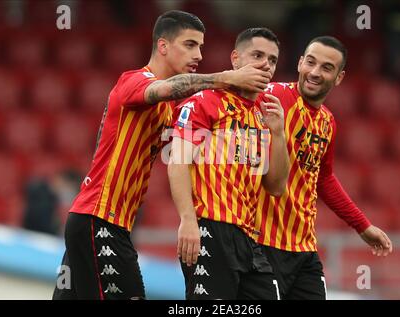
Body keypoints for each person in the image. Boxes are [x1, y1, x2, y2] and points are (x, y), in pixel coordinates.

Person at [52, 10, 273, 300]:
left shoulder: (170, 110)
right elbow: (167, 88)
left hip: (101, 223)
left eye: (201, 47)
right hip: (99, 220)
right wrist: (228, 78)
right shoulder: (132, 81)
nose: (199, 55)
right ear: (163, 46)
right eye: (190, 45)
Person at [254, 36, 393, 300]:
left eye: (327, 68)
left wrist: (363, 227)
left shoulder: (328, 122)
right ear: (299, 63)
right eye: (311, 62)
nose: (315, 73)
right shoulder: (270, 96)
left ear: (339, 77)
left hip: (304, 249)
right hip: (262, 244)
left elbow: (324, 179)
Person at [168, 27, 290, 300]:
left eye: (272, 60)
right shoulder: (204, 101)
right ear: (235, 58)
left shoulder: (263, 113)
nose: (265, 65)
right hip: (210, 228)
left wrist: (279, 134)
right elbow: (177, 162)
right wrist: (187, 220)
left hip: (249, 237)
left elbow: (276, 186)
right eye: (257, 55)